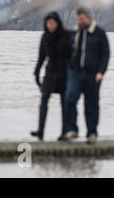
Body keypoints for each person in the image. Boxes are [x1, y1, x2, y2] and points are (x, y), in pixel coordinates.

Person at [64, 7, 110, 144]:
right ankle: (72, 130)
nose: (80, 22)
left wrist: (101, 72)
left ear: (89, 18)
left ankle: (92, 132)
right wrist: (68, 69)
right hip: (75, 73)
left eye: (82, 19)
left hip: (93, 75)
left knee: (91, 104)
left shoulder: (99, 33)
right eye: (78, 19)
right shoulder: (75, 32)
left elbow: (106, 54)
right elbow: (68, 52)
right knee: (70, 99)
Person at [32, 12, 71, 141]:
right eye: (48, 23)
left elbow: (73, 56)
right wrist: (36, 73)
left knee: (64, 104)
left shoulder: (66, 36)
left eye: (52, 23)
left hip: (64, 74)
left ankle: (65, 132)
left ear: (57, 23)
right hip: (50, 74)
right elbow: (41, 57)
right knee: (44, 99)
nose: (50, 25)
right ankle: (40, 131)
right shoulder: (45, 37)